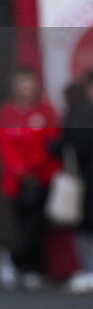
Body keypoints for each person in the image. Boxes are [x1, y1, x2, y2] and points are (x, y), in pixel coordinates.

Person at [0, 66, 60, 289]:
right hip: (17, 182)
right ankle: (17, 261)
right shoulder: (7, 114)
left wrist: (35, 165)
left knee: (40, 226)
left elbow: (52, 140)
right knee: (25, 226)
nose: (26, 89)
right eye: (22, 84)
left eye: (30, 84)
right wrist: (20, 169)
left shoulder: (46, 110)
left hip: (43, 177)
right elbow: (5, 146)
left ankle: (32, 267)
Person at [61, 70, 93, 293]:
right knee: (85, 226)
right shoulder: (80, 111)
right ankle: (89, 269)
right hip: (85, 180)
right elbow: (75, 143)